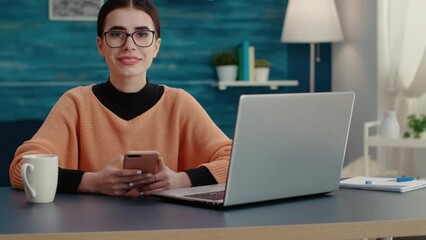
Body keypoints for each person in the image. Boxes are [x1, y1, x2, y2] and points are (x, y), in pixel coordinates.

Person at [9, 0, 232, 197]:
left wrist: (180, 180)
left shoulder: (180, 104)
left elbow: (237, 161)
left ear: (156, 46)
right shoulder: (75, 104)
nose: (129, 45)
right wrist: (93, 182)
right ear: (100, 45)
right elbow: (21, 169)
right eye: (117, 34)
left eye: (142, 34)